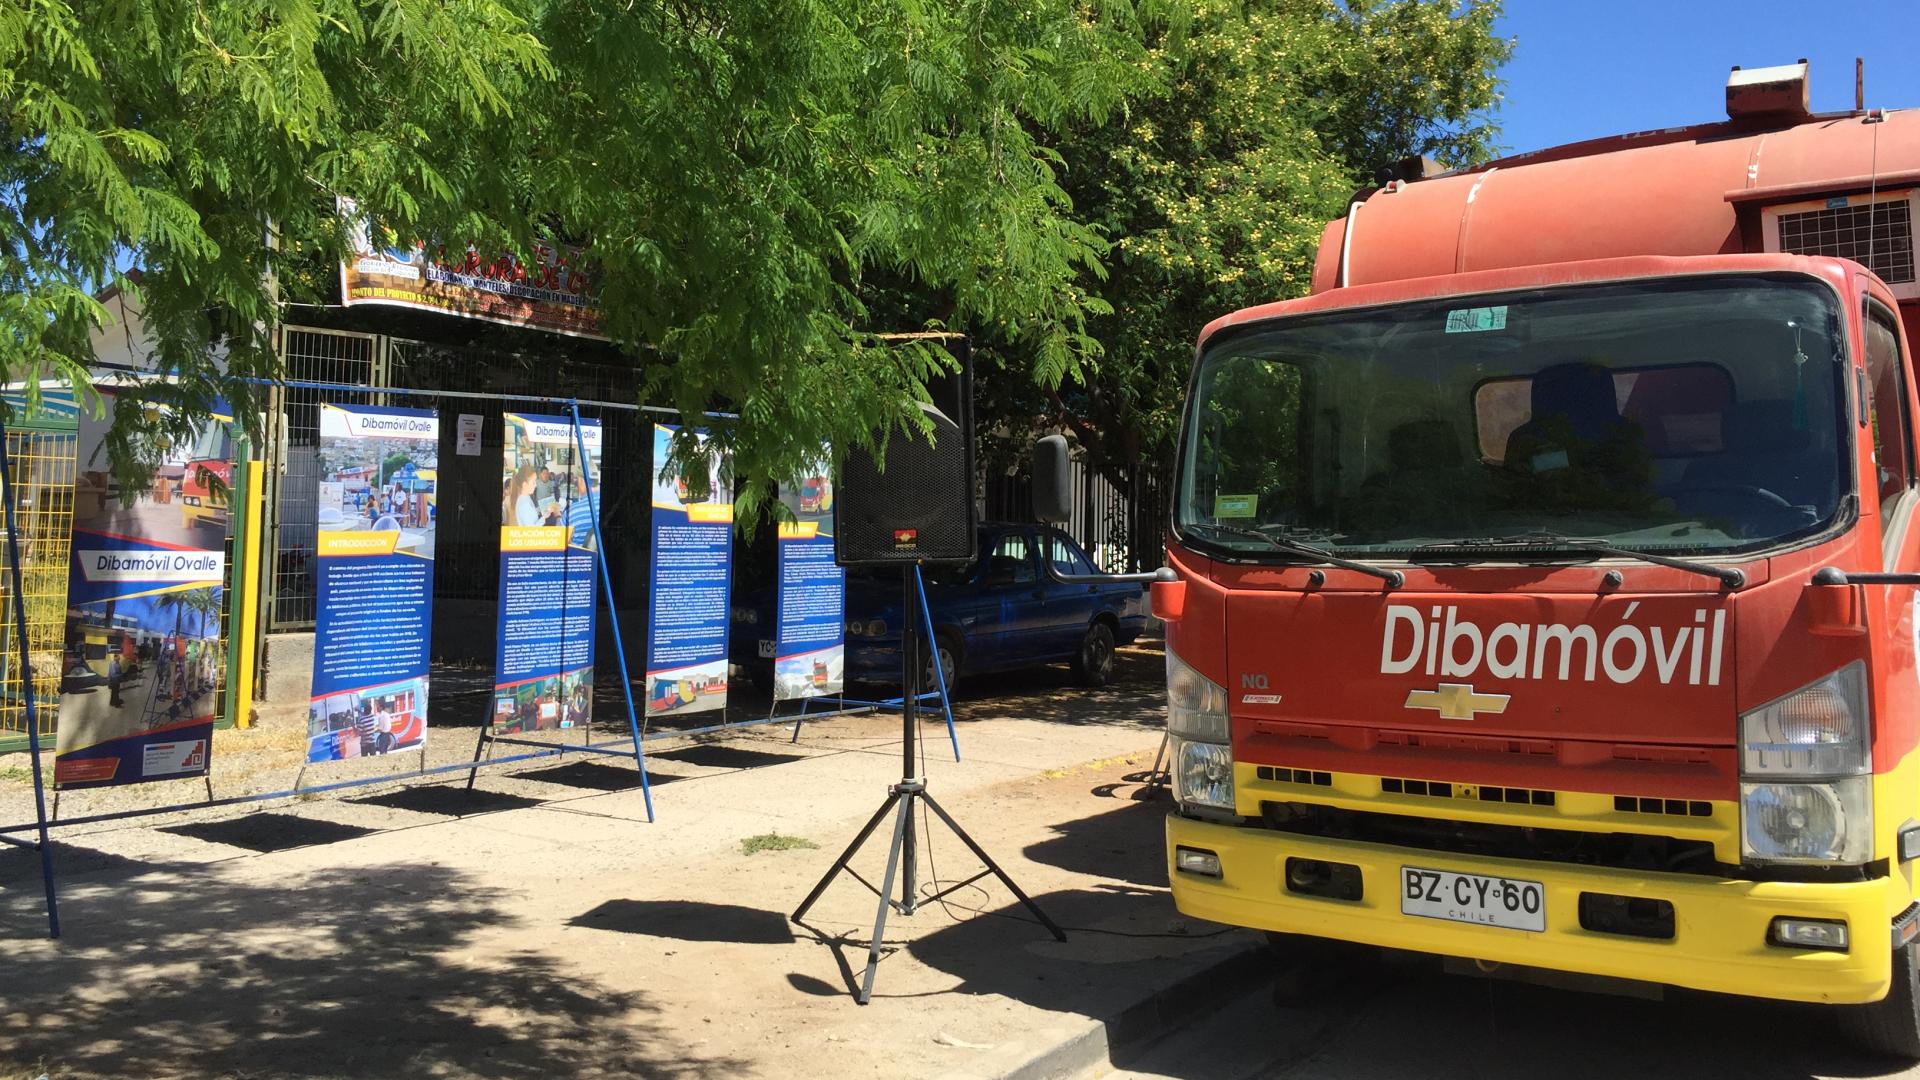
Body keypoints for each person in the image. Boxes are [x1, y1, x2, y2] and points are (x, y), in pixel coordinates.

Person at [565, 472, 600, 548]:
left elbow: (560, 538)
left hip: (580, 557)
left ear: (583, 482)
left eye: (578, 481)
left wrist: (557, 515)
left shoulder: (572, 511)